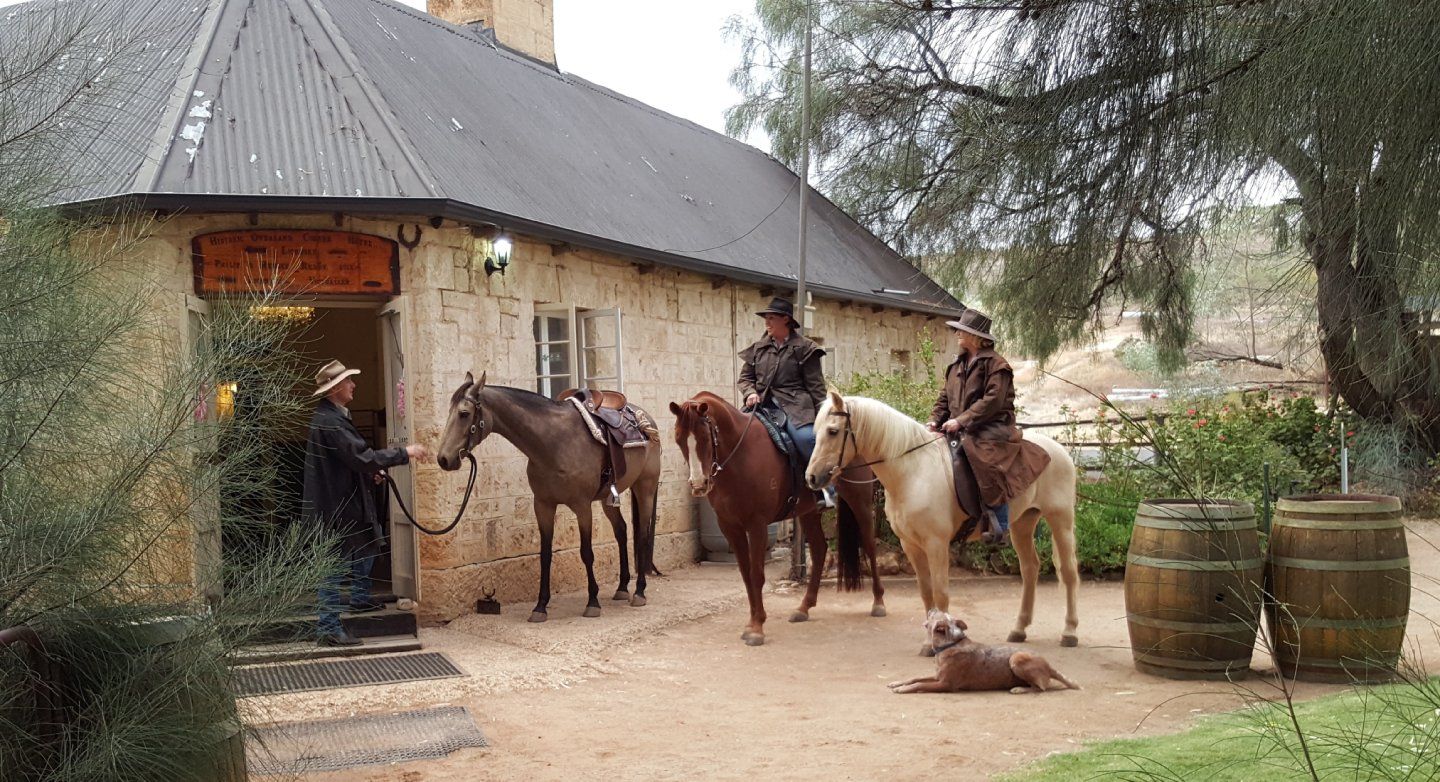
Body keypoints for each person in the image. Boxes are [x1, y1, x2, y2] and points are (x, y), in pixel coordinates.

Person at [302, 359, 430, 647]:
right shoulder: (331, 422)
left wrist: (371, 472)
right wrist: (404, 452)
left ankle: (338, 619)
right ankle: (328, 628)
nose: (353, 385)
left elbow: (351, 462)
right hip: (335, 509)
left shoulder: (332, 418)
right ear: (335, 388)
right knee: (332, 567)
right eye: (348, 381)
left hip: (338, 506)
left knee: (345, 559)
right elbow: (361, 456)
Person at [927, 309, 1050, 547]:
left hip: (992, 428)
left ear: (977, 337)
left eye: (962, 331)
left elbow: (993, 401)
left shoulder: (997, 365)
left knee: (985, 460)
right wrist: (934, 420)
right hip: (961, 427)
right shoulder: (956, 365)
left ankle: (999, 524)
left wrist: (961, 420)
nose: (957, 334)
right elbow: (945, 398)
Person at [738, 296, 837, 507]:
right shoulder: (758, 348)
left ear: (786, 320)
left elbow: (816, 387)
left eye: (771, 318)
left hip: (795, 407)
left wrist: (824, 415)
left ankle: (826, 490)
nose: (767, 322)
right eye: (766, 318)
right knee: (735, 435)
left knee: (805, 439)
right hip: (761, 404)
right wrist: (749, 393)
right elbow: (745, 378)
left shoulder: (805, 348)